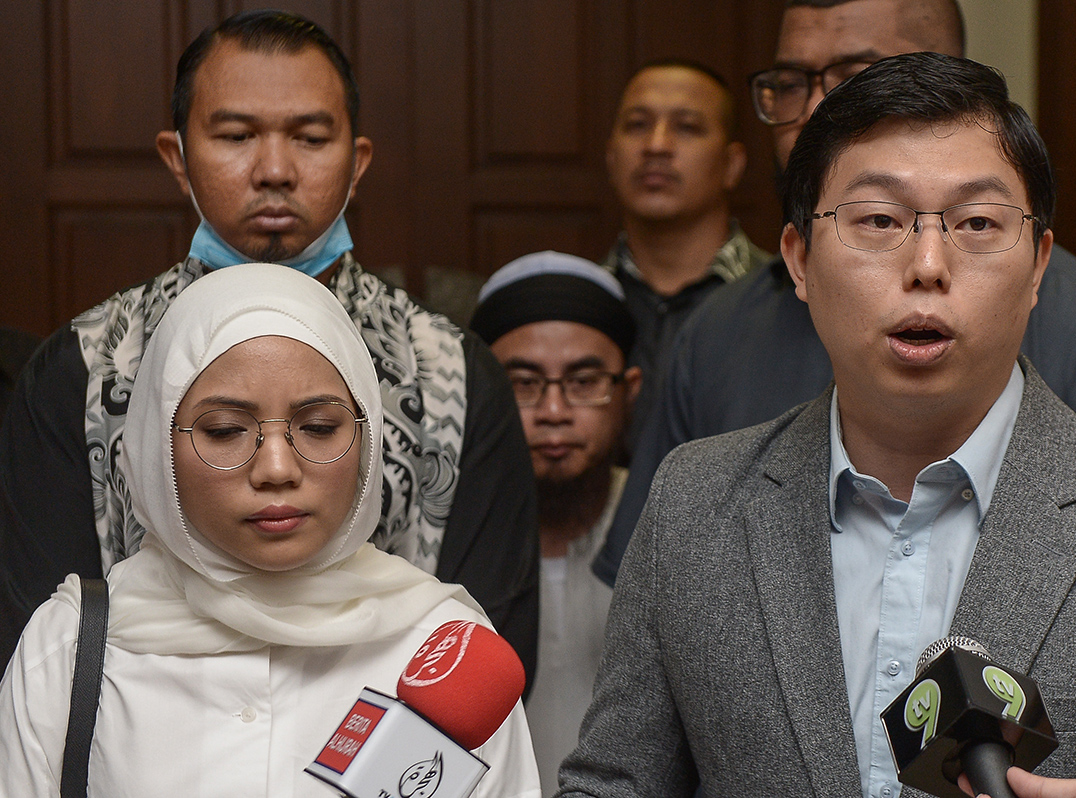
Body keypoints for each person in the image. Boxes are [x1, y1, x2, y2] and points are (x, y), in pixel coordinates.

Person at [558, 53, 1076, 798]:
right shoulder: (694, 503)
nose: (927, 264)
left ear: (1036, 268)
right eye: (879, 221)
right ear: (798, 259)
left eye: (979, 223)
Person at [0, 10, 539, 680]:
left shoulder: (454, 373)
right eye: (235, 135)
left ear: (357, 160)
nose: (276, 169)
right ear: (177, 157)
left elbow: (488, 652)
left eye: (311, 137)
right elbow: (35, 648)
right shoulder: (81, 367)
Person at [593, 0, 1076, 587]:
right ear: (798, 256)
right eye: (791, 83)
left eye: (854, 80)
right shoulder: (718, 332)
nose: (814, 113)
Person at [0, 263, 540, 797]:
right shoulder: (73, 646)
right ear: (157, 444)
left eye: (320, 427)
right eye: (226, 430)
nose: (277, 468)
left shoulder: (443, 650)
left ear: (368, 437)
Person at [468, 252, 641, 797]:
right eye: (523, 385)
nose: (554, 410)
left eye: (584, 381)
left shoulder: (673, 528)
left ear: (629, 391)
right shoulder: (448, 537)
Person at [602, 59, 769, 441]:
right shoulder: (582, 304)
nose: (656, 146)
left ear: (732, 164)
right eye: (637, 125)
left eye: (687, 127)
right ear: (611, 158)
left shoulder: (787, 298)